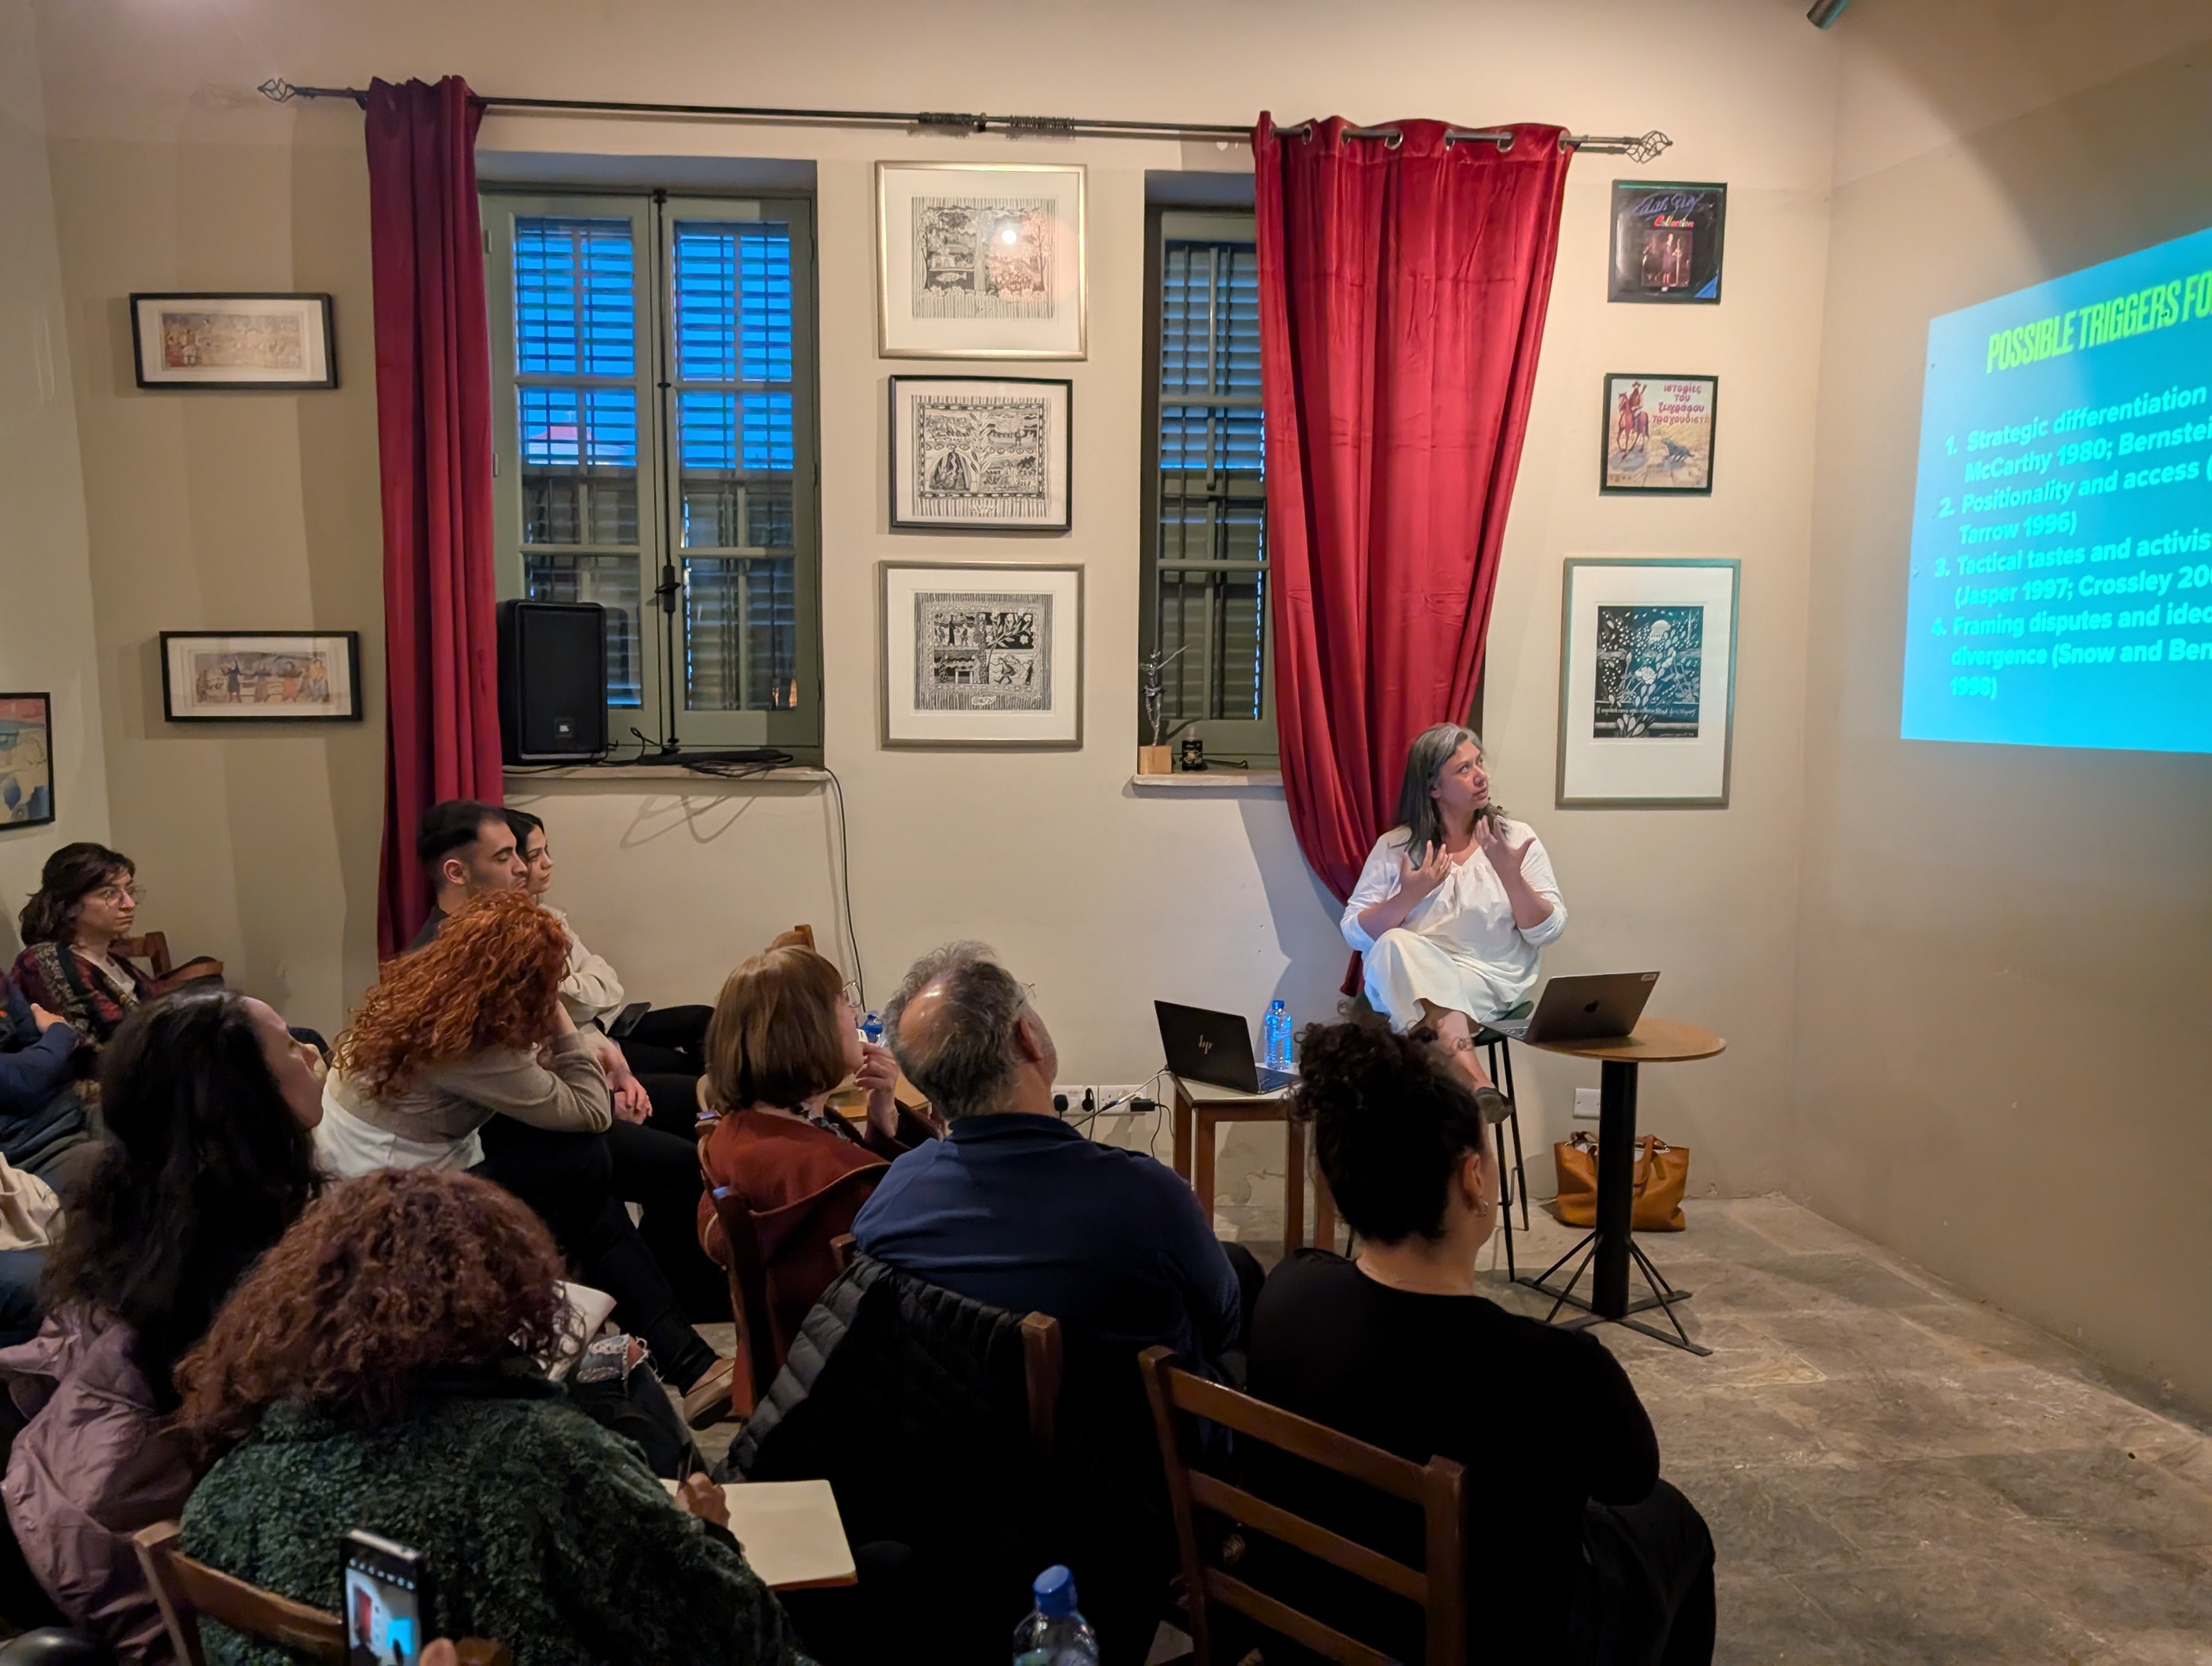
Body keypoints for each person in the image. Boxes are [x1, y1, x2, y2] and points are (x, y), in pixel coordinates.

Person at [173, 1168, 809, 1666]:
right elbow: (743, 1644)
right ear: (503, 1295)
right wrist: (710, 1539)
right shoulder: (548, 1466)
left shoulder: (224, 1494)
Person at [1248, 1021, 1714, 1665]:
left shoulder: (1287, 1294)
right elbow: (1632, 1479)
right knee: (1678, 1526)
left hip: (1315, 1620)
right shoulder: (1555, 1372)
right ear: (1475, 1180)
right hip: (1493, 1638)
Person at [0, 988, 324, 1660]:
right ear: (242, 1096)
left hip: (64, 1510)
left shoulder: (140, 1204)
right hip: (152, 1563)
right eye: (288, 1046)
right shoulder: (243, 1259)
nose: (310, 1052)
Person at [320, 890, 728, 1412]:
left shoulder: (431, 1004)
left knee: (584, 1176)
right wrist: (561, 1022)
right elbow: (590, 1110)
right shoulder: (470, 1045)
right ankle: (689, 1362)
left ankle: (688, 1363)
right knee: (583, 1167)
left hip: (388, 1169)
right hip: (394, 1201)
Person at [854, 941, 1248, 1369]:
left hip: (960, 1430)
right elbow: (1223, 1328)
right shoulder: (1149, 1199)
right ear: (1028, 1039)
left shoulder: (892, 1201)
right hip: (1133, 1431)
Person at [414, 801, 722, 1324]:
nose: (524, 870)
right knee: (653, 1163)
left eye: (522, 854)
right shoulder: (450, 965)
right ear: (456, 871)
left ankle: (671, 1302)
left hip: (537, 1106)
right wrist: (584, 1048)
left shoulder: (497, 935)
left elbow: (590, 999)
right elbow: (544, 1083)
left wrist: (598, 1052)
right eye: (508, 856)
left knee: (688, 1112)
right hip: (504, 1135)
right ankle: (674, 1306)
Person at [696, 945, 940, 1367]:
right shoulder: (837, 1181)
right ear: (810, 1030)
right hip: (848, 1380)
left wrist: (882, 1122)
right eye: (845, 1001)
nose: (856, 1014)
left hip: (789, 1363)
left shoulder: (739, 1130)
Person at [1340, 724, 1567, 1091]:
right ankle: (1477, 1085)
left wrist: (1511, 876)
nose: (1481, 776)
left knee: (1423, 1017)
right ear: (1433, 788)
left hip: (1487, 977)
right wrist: (1408, 897)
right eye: (1464, 770)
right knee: (1392, 945)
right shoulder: (1396, 847)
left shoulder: (1515, 839)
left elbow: (1546, 930)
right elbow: (1353, 931)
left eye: (1479, 764)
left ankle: (1459, 1096)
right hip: (1408, 976)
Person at [505, 806, 712, 1094]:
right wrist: (585, 984)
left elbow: (607, 981)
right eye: (536, 856)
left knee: (706, 1020)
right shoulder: (510, 933)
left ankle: (752, 1111)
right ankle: (733, 1116)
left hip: (605, 1020)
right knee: (689, 1077)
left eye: (547, 851)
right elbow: (568, 1001)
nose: (549, 863)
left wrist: (583, 984)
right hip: (585, 1037)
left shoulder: (548, 914)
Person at [10, 844, 157, 1094]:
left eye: (129, 890)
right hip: (96, 1103)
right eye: (110, 894)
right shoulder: (45, 961)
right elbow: (98, 1052)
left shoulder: (119, 965)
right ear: (70, 906)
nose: (129, 904)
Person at [0, 973, 97, 1193]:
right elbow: (26, 1078)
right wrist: (60, 1032)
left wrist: (48, 1056)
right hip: (28, 1156)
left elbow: (47, 1055)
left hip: (72, 1115)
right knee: (117, 1171)